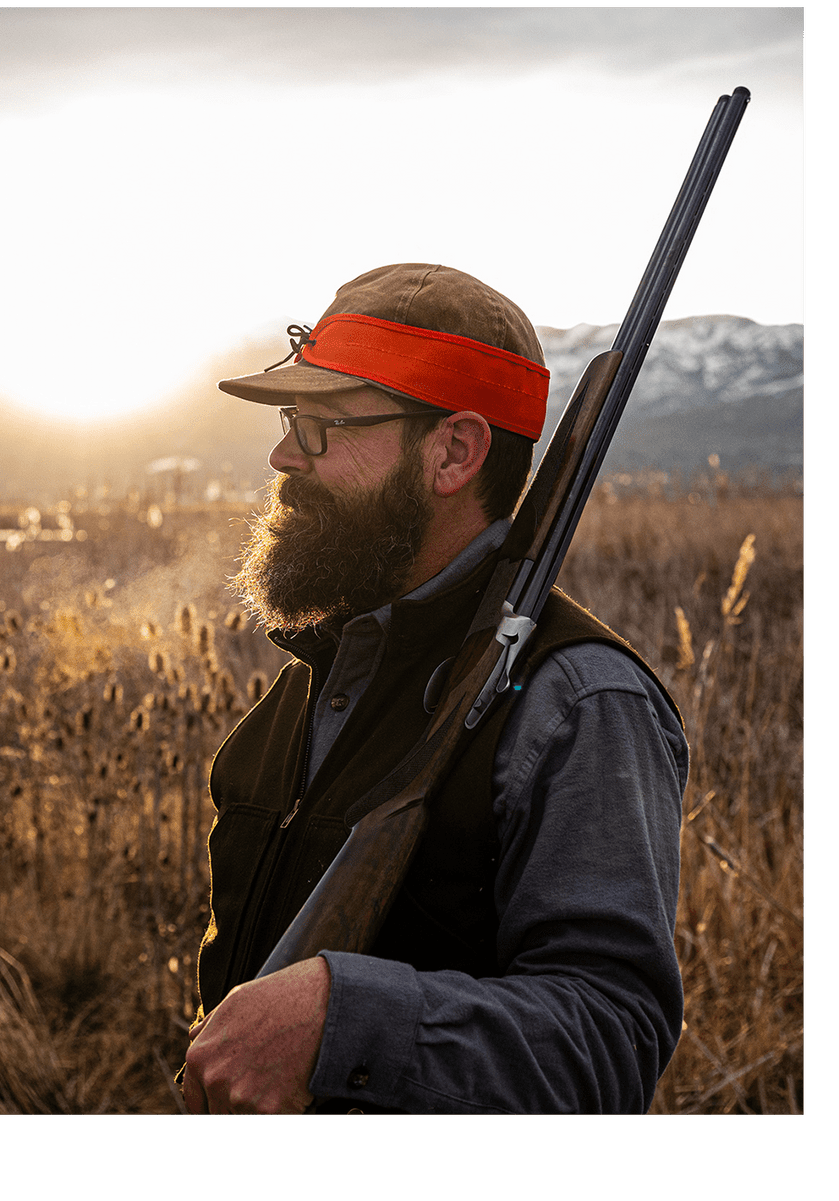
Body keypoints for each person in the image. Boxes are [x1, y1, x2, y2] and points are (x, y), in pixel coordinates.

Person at [181, 263, 689, 1115]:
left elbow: (612, 1044)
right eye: (287, 420)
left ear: (453, 451)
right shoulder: (324, 668)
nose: (280, 455)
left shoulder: (581, 703)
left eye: (319, 427)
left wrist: (349, 1024)